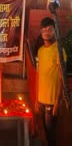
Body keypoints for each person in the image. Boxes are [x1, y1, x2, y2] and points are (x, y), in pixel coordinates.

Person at [36, 17, 66, 146]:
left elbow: (62, 77)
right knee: (45, 134)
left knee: (51, 136)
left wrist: (57, 102)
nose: (46, 32)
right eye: (44, 30)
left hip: (52, 103)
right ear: (41, 32)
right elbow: (40, 76)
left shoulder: (59, 50)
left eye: (49, 29)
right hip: (41, 101)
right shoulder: (41, 51)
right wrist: (37, 100)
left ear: (54, 31)